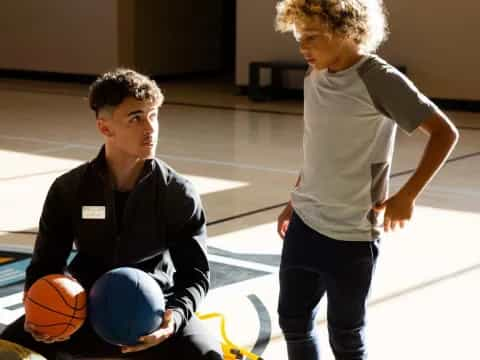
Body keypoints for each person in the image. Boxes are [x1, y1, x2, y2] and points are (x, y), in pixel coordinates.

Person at [274, 1, 459, 359]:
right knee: (293, 322)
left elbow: (444, 133)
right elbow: (318, 147)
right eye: (299, 37)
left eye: (312, 37)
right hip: (306, 223)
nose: (302, 47)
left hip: (352, 234)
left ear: (346, 31)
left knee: (346, 338)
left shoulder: (378, 79)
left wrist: (408, 195)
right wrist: (294, 199)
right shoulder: (314, 75)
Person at [0, 69, 223, 359]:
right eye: (136, 118)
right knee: (8, 349)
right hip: (83, 311)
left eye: (153, 115)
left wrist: (175, 319)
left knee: (206, 354)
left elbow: (195, 274)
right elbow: (45, 265)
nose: (150, 128)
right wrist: (39, 312)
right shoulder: (69, 189)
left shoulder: (176, 192)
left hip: (155, 310)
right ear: (105, 128)